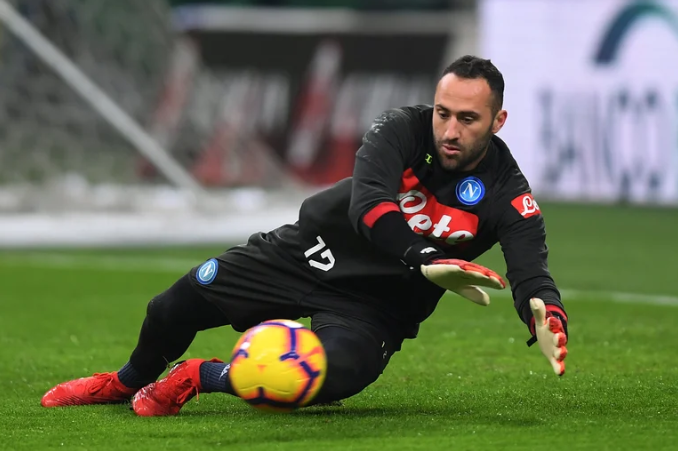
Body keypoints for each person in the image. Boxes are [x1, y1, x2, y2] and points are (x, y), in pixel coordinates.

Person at [41, 55, 569, 416]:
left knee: (323, 380)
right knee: (169, 308)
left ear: (498, 121)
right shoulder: (400, 129)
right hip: (308, 253)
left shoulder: (509, 194)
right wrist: (423, 256)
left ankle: (200, 376)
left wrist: (544, 312)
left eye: (468, 119)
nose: (450, 131)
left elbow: (530, 270)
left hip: (376, 309)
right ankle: (125, 382)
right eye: (443, 113)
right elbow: (370, 207)